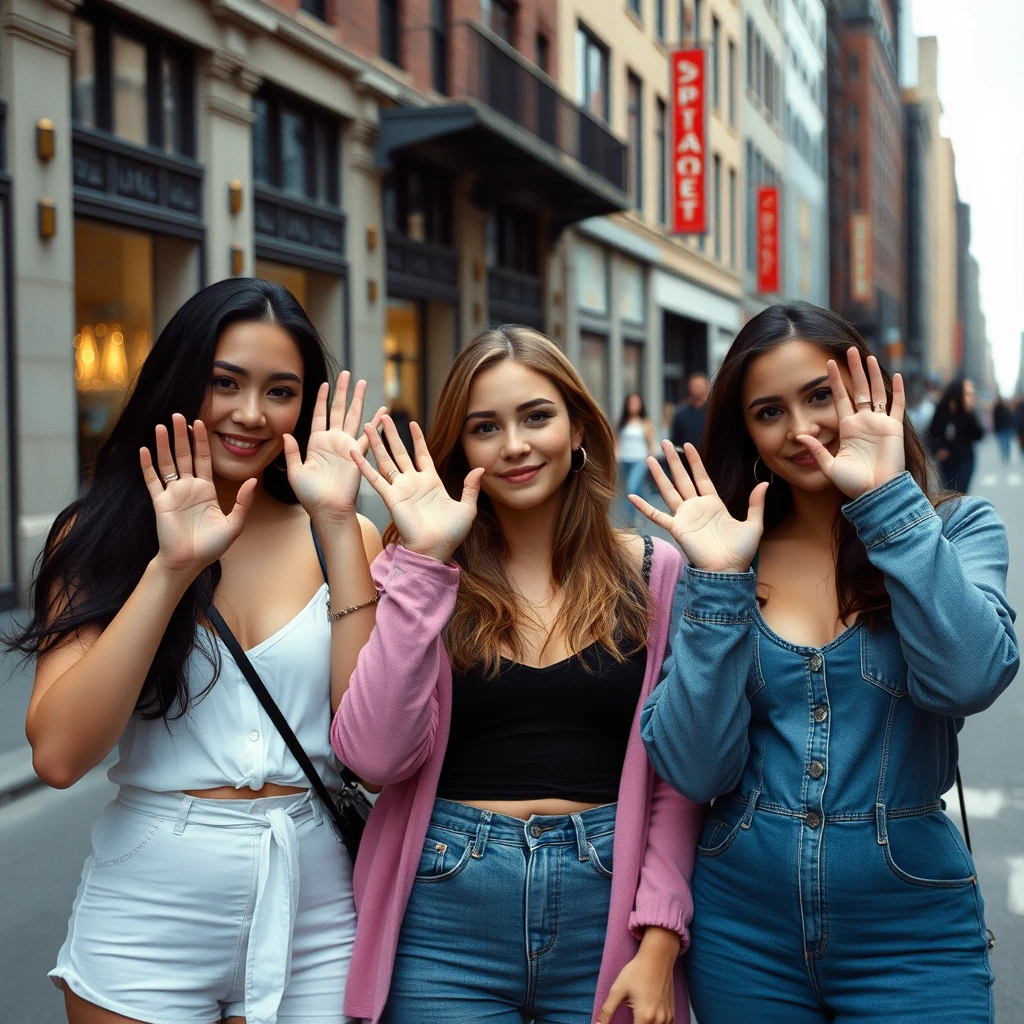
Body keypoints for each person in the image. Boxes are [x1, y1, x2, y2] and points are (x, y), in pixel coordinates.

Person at [9, 279, 385, 1024]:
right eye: (225, 382)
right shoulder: (97, 535)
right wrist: (170, 568)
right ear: (182, 381)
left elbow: (369, 750)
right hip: (150, 905)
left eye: (280, 391)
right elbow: (58, 756)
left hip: (317, 902)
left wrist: (340, 524)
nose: (249, 413)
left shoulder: (341, 535)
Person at [632, 302, 1017, 1024]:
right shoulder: (721, 558)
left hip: (914, 934)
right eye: (769, 411)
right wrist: (718, 585)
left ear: (866, 390)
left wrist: (886, 501)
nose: (802, 429)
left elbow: (970, 676)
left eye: (819, 395)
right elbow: (694, 769)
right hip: (741, 929)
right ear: (745, 432)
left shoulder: (955, 528)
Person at [333, 325, 704, 1024]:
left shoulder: (657, 575)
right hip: (446, 914)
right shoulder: (417, 574)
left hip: (608, 908)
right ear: (459, 449)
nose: (515, 445)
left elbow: (678, 781)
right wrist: (426, 562)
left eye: (537, 416)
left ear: (578, 429)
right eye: (485, 427)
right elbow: (374, 757)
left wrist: (658, 941)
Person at [929, 378, 984, 493]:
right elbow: (932, 433)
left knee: (960, 495)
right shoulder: (942, 409)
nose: (971, 397)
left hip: (965, 460)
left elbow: (979, 435)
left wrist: (970, 412)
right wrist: (937, 450)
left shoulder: (967, 413)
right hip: (947, 462)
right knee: (948, 495)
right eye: (967, 393)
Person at [616, 392, 657, 524]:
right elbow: (616, 441)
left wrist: (651, 461)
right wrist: (615, 455)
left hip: (640, 460)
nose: (633, 405)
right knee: (637, 489)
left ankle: (631, 522)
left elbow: (651, 443)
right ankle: (643, 513)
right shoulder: (622, 422)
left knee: (631, 488)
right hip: (625, 460)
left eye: (636, 402)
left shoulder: (645, 423)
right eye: (631, 402)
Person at [669, 373, 709, 452]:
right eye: (694, 386)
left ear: (707, 387)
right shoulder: (681, 413)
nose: (697, 389)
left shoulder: (712, 412)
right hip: (686, 457)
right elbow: (675, 439)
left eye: (699, 386)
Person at [992, 395, 1014, 464]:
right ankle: (1005, 455)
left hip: (1002, 428)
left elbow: (995, 420)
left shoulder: (999, 409)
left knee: (1004, 443)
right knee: (1005, 443)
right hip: (1003, 428)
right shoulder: (1002, 408)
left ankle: (1005, 455)